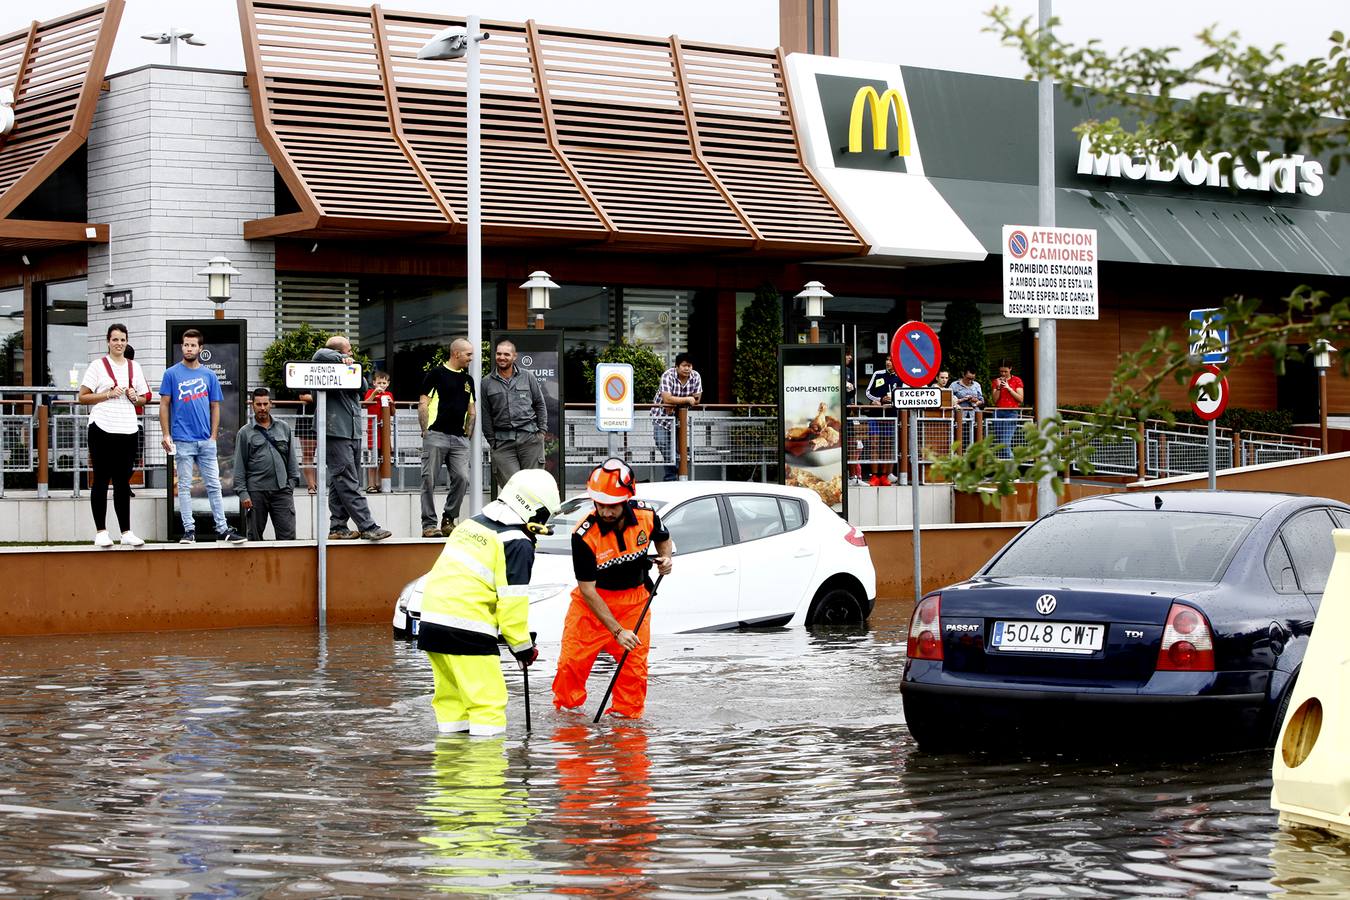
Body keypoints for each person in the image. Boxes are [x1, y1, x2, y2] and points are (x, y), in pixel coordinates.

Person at [417, 468, 561, 736]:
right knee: (487, 706)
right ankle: (485, 773)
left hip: (431, 623)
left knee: (451, 704)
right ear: (535, 509)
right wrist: (523, 648)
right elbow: (512, 605)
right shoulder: (516, 541)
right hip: (467, 630)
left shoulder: (472, 524)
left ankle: (450, 771)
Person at [552, 459, 674, 720]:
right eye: (600, 505)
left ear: (627, 500)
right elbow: (587, 589)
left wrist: (666, 559)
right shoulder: (583, 535)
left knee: (634, 669)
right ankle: (568, 720)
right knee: (571, 664)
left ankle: (626, 729)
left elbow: (664, 539)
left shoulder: (647, 515)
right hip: (591, 606)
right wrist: (616, 631)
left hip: (634, 602)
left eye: (611, 506)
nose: (605, 512)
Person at [159, 329, 246, 545]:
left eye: (193, 345)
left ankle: (223, 529)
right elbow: (164, 404)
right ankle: (189, 531)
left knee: (214, 486)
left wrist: (213, 436)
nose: (189, 348)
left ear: (200, 348)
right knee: (185, 486)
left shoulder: (209, 375)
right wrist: (166, 434)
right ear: (182, 346)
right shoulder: (171, 373)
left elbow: (215, 406)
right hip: (182, 440)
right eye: (186, 345)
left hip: (206, 441)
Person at [313, 336, 391, 541]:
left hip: (352, 431)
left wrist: (349, 365)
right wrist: (340, 359)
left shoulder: (349, 369)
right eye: (348, 351)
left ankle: (338, 526)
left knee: (342, 481)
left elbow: (363, 387)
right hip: (335, 431)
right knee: (347, 480)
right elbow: (320, 353)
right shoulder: (323, 363)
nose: (351, 355)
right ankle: (367, 525)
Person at [79, 324, 150, 548]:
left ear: (127, 342)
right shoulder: (97, 366)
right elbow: (83, 396)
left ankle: (126, 531)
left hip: (127, 428)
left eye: (122, 340)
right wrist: (108, 394)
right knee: (101, 478)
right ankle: (101, 531)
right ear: (108, 341)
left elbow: (145, 397)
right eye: (115, 339)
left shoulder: (134, 367)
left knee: (122, 481)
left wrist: (134, 396)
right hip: (102, 427)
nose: (119, 343)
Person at [420, 338, 476, 538]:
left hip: (459, 439)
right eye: (468, 354)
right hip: (436, 435)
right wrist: (425, 430)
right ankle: (428, 524)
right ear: (456, 354)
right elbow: (423, 403)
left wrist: (467, 434)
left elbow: (472, 410)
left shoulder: (468, 380)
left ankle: (448, 519)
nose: (471, 358)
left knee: (462, 478)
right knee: (429, 479)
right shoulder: (436, 374)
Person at [234, 388, 301, 540]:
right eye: (259, 404)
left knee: (288, 538)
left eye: (265, 403)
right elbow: (239, 466)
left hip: (282, 491)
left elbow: (292, 458)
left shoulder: (283, 427)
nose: (262, 408)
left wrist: (291, 483)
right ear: (253, 405)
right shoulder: (244, 433)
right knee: (254, 539)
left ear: (271, 404)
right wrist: (243, 493)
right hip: (256, 492)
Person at [481, 339, 548, 490]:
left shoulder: (527, 377)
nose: (502, 357)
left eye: (506, 354)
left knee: (534, 487)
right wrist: (493, 442)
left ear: (514, 356)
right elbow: (485, 415)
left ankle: (534, 515)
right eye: (498, 354)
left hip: (530, 440)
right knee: (512, 490)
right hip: (502, 444)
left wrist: (541, 432)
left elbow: (540, 404)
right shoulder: (486, 382)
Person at [650, 353, 702, 481]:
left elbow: (697, 399)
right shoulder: (668, 375)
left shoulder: (695, 376)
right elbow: (667, 398)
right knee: (663, 444)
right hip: (662, 417)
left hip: (680, 419)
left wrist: (675, 402)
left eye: (689, 366)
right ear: (677, 367)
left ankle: (673, 477)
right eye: (684, 365)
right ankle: (673, 475)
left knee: (678, 448)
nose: (687, 369)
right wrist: (686, 399)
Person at [864, 357, 902, 485]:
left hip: (891, 415)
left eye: (891, 360)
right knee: (874, 444)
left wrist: (892, 401)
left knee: (887, 446)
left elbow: (903, 395)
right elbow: (868, 392)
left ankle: (884, 476)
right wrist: (880, 399)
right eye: (887, 360)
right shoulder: (878, 374)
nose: (888, 362)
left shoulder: (901, 377)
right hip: (875, 415)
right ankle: (874, 476)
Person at [363, 371, 394, 493]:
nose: (381, 385)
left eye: (384, 382)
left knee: (384, 458)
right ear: (374, 383)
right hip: (373, 429)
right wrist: (375, 394)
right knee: (373, 458)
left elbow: (393, 412)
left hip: (385, 430)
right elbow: (365, 404)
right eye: (379, 382)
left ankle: (381, 484)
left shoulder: (390, 394)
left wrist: (391, 404)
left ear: (388, 383)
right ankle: (371, 484)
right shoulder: (370, 392)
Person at [989, 361, 1025, 460]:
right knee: (999, 442)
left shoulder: (1017, 380)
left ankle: (1012, 467)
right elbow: (995, 400)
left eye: (1005, 371)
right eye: (1001, 371)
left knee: (1005, 442)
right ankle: (1003, 469)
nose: (1003, 374)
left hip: (1011, 412)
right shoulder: (996, 381)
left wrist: (1009, 388)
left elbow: (1020, 399)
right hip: (998, 412)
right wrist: (999, 387)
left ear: (1010, 369)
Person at [951, 367, 985, 447]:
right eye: (968, 378)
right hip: (960, 417)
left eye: (972, 379)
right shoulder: (954, 385)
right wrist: (963, 399)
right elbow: (949, 400)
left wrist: (975, 401)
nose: (970, 381)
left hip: (974, 417)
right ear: (963, 374)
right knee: (960, 439)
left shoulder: (977, 385)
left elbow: (982, 401)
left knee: (975, 439)